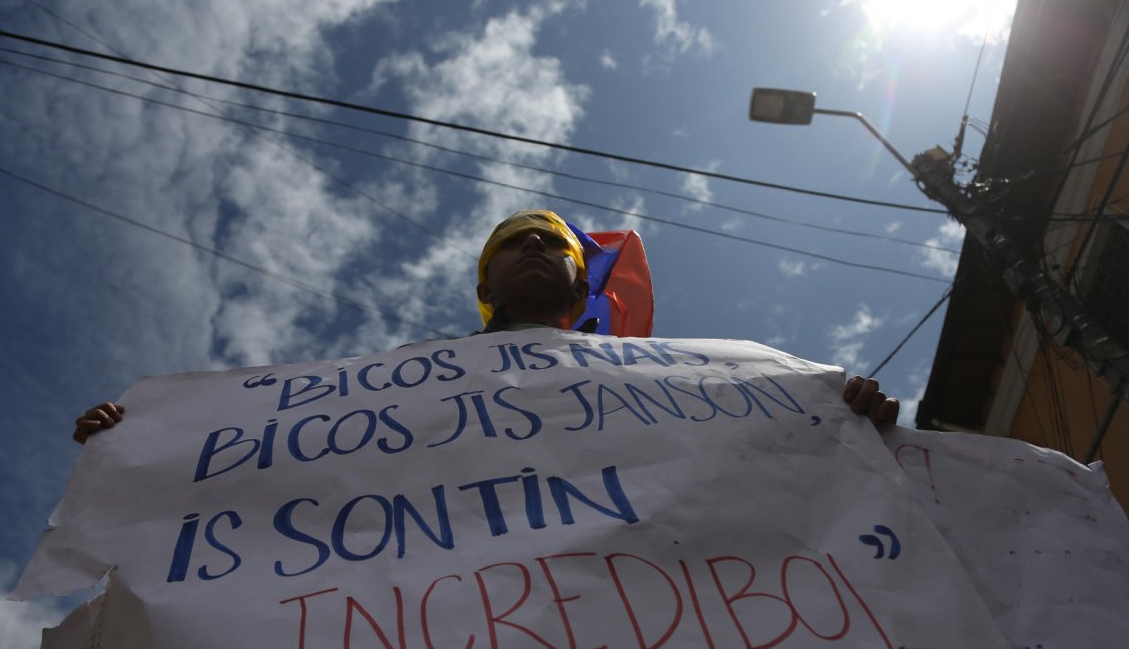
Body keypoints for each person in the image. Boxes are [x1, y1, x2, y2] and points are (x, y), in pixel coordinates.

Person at [73, 209, 898, 443]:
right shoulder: (404, 383)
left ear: (582, 285)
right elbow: (280, 439)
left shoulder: (670, 383)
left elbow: (759, 444)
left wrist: (839, 411)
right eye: (516, 246)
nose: (536, 250)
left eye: (552, 244)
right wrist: (149, 438)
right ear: (486, 284)